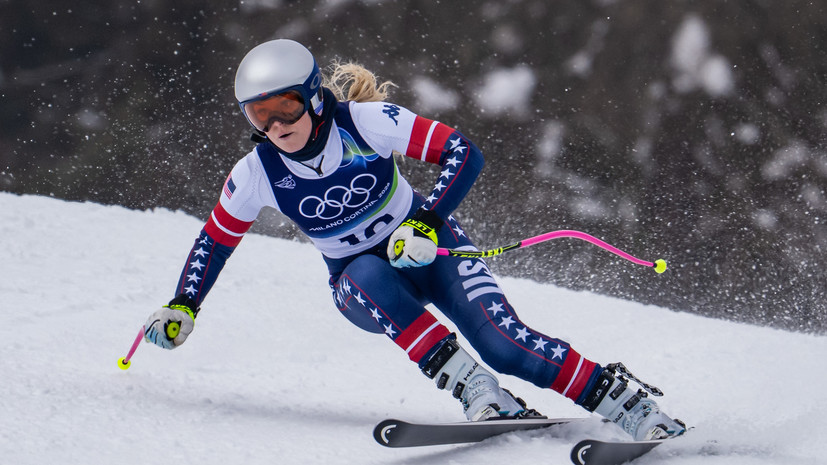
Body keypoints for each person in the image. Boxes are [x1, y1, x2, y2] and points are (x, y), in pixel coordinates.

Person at [144, 39, 686, 440]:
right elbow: (215, 240)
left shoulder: (365, 122)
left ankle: (629, 406)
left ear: (312, 97)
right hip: (363, 285)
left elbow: (463, 153)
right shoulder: (256, 171)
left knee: (504, 344)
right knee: (366, 271)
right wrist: (183, 304)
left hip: (433, 249)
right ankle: (477, 391)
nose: (274, 125)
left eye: (284, 106)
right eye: (257, 114)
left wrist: (425, 222)